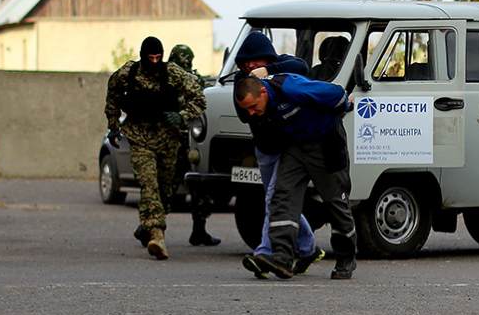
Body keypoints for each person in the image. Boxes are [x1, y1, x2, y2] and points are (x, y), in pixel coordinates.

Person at [235, 74, 357, 280]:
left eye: (253, 106)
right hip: (297, 146)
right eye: (247, 109)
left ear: (263, 92)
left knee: (335, 202)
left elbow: (336, 93)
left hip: (326, 142)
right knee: (282, 195)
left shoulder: (290, 88)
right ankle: (281, 258)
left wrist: (343, 104)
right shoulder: (263, 102)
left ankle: (346, 258)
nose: (252, 113)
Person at [105, 36, 207, 260]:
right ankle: (157, 235)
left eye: (157, 57)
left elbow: (199, 99)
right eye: (149, 57)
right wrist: (113, 127)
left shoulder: (171, 72)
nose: (153, 61)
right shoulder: (128, 73)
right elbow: (112, 94)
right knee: (149, 185)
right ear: (142, 56)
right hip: (139, 138)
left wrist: (181, 116)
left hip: (167, 140)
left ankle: (147, 227)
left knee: (164, 190)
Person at [232, 33, 325, 279]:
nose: (251, 66)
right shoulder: (241, 80)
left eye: (256, 61)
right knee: (281, 201)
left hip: (289, 148)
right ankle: (308, 249)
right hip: (264, 150)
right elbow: (244, 115)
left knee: (274, 198)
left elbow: (302, 67)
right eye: (246, 63)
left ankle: (264, 253)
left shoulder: (282, 66)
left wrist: (268, 72)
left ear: (268, 56)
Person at [167, 43, 221, 247]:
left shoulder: (165, 78)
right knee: (198, 187)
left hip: (175, 140)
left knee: (167, 186)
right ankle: (198, 230)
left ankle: (149, 227)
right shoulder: (193, 80)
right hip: (191, 141)